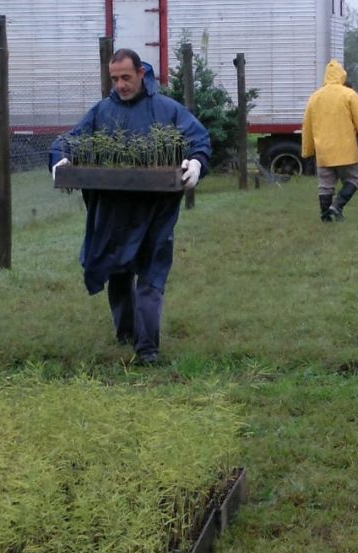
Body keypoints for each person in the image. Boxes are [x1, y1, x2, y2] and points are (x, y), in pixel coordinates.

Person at [49, 48, 211, 365]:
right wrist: (60, 160)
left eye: (126, 77)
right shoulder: (102, 112)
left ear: (141, 73)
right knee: (118, 271)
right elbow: (67, 140)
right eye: (115, 79)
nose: (120, 85)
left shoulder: (167, 109)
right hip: (113, 212)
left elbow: (198, 138)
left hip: (155, 211)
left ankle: (147, 348)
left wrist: (196, 162)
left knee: (151, 274)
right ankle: (125, 333)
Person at [301, 60, 358, 222]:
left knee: (325, 185)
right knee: (354, 179)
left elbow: (307, 126)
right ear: (342, 75)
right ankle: (337, 206)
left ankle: (325, 216)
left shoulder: (314, 97)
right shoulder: (349, 95)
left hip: (323, 152)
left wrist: (307, 151)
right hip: (346, 150)